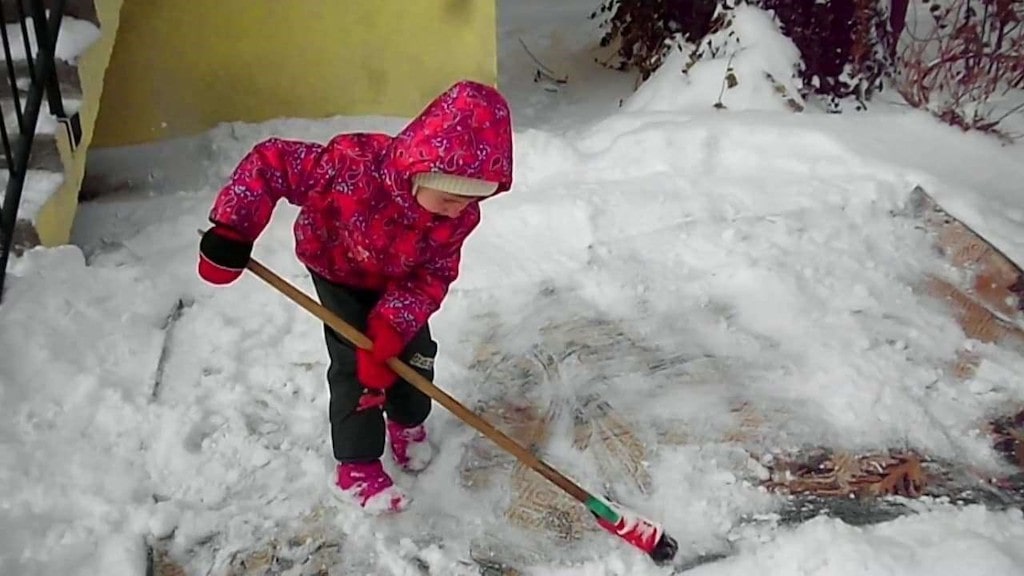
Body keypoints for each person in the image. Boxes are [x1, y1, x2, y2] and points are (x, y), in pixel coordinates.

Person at [196, 80, 514, 514]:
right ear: (421, 171)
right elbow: (271, 163)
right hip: (336, 268)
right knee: (355, 364)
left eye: (470, 202)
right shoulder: (350, 167)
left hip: (397, 283)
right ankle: (357, 465)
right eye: (449, 199)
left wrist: (391, 324)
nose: (458, 211)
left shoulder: (456, 217)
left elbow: (432, 276)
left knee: (414, 353)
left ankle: (407, 421)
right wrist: (234, 228)